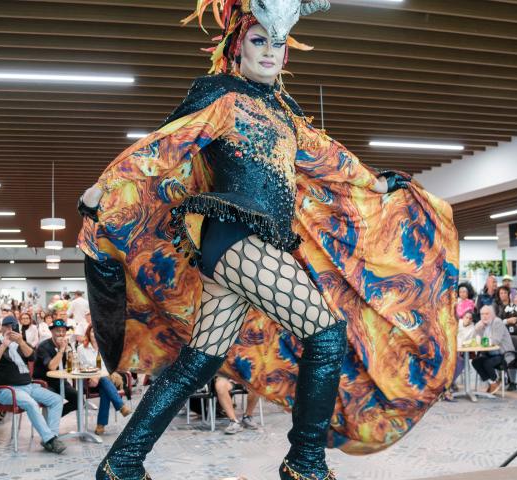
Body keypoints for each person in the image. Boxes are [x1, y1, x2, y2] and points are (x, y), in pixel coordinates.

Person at [77, 2, 457, 478]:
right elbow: (167, 143)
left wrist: (374, 184)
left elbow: (325, 155)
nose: (271, 52)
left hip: (249, 249)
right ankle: (304, 462)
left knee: (198, 362)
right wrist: (108, 186)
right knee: (327, 333)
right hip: (234, 237)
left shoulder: (284, 111)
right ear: (236, 46)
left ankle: (122, 463)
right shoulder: (222, 97)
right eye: (260, 41)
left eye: (278, 43)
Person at [0, 315, 65, 453]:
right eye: (8, 326)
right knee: (31, 403)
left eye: (14, 326)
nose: (11, 329)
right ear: (3, 328)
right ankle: (50, 439)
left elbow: (32, 357)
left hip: (29, 386)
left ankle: (51, 437)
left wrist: (21, 342)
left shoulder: (21, 344)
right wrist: (4, 344)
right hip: (7, 390)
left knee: (57, 400)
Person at [75, 325, 132, 435]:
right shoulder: (81, 349)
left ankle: (101, 425)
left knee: (105, 387)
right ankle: (120, 406)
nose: (95, 335)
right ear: (88, 333)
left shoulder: (105, 348)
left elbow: (110, 367)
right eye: (92, 332)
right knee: (104, 381)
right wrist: (93, 376)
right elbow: (81, 367)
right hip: (88, 381)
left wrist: (99, 375)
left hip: (105, 380)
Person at [33, 319, 80, 418]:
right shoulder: (43, 346)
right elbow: (52, 367)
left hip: (59, 381)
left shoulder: (66, 344)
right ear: (52, 331)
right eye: (58, 331)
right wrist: (61, 350)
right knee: (55, 400)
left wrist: (69, 352)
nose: (61, 334)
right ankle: (49, 423)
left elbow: (73, 366)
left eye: (63, 331)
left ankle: (52, 418)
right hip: (43, 382)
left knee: (78, 399)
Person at [472, 306, 516, 395]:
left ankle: (494, 382)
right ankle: (493, 383)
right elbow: (476, 340)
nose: (484, 316)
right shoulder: (483, 324)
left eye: (487, 314)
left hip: (504, 353)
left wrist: (482, 341)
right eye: (482, 314)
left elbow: (496, 340)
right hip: (490, 353)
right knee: (475, 361)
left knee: (486, 363)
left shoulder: (497, 322)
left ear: (492, 315)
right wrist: (477, 329)